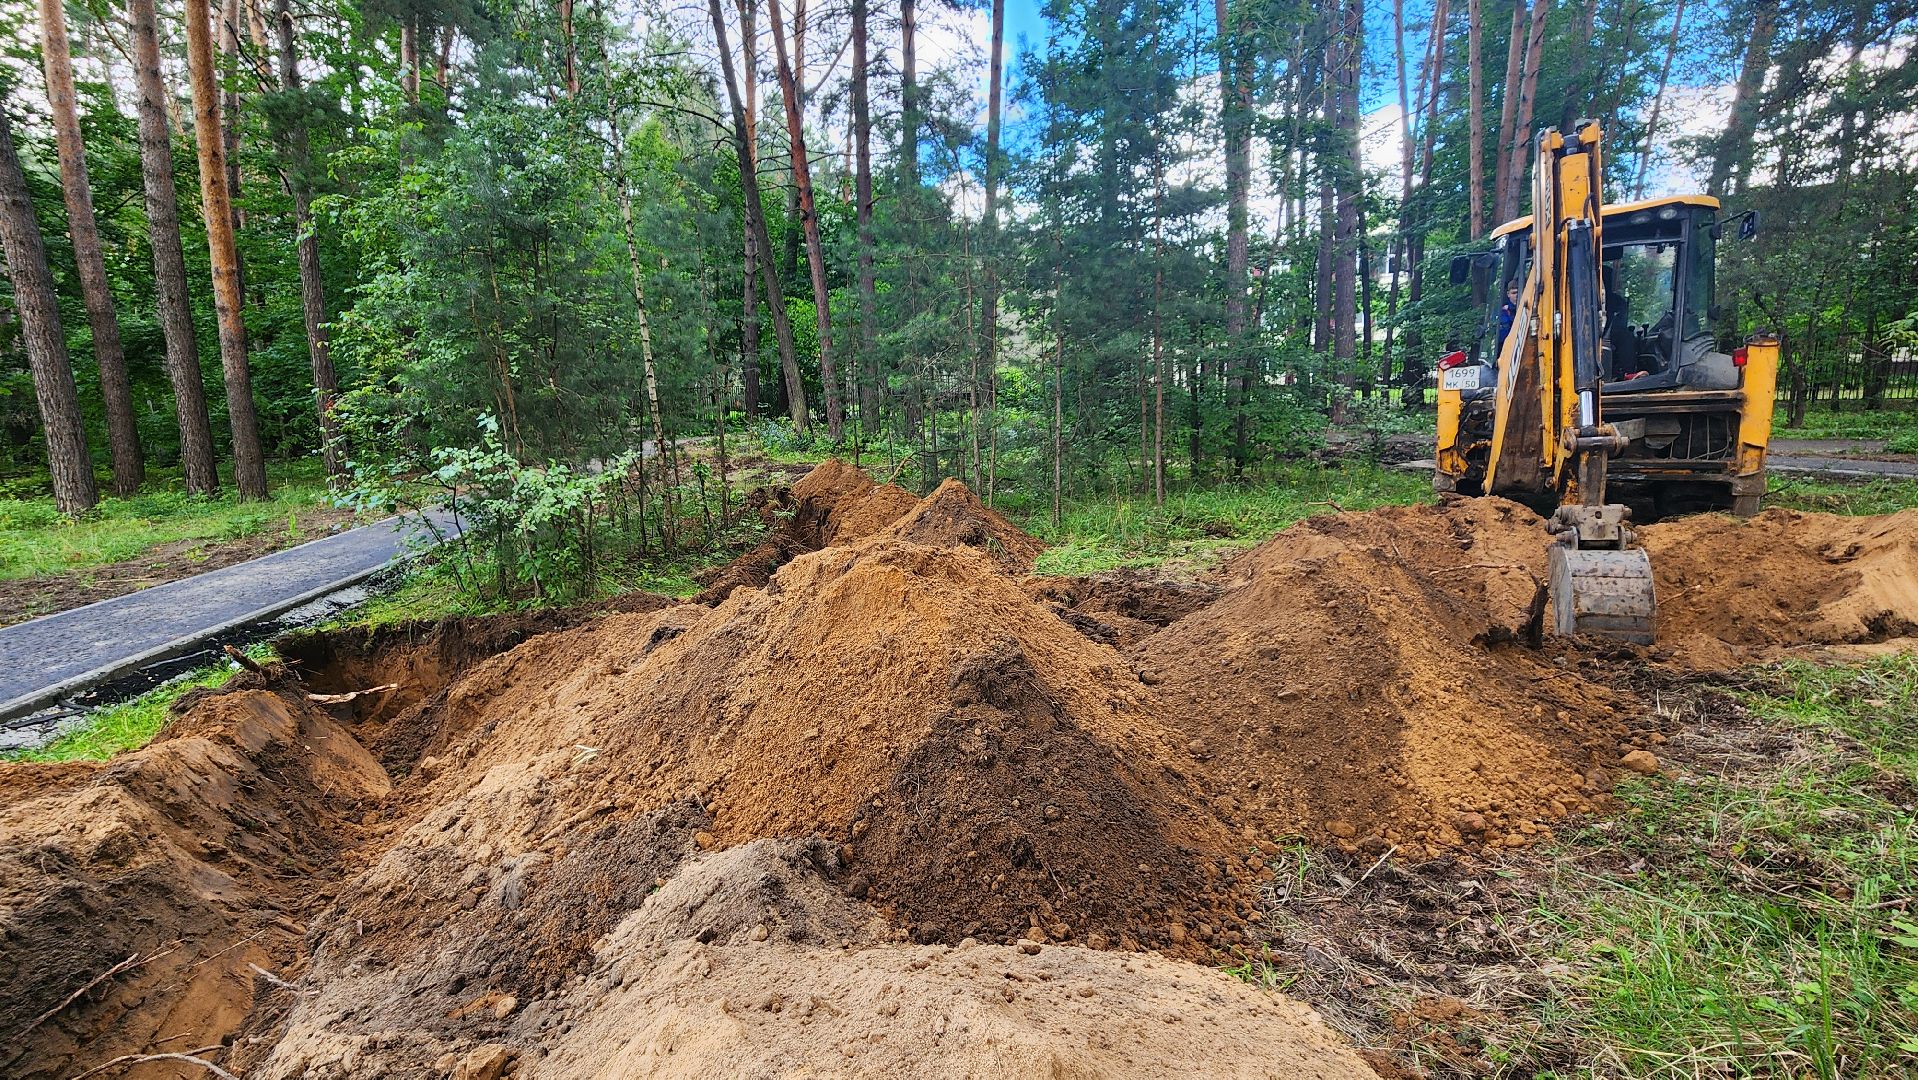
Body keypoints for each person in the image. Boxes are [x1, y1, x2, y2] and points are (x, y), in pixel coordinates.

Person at [1495, 285, 1519, 356]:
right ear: (1508, 294)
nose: (1516, 295)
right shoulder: (1502, 312)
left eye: (1518, 292)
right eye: (1514, 293)